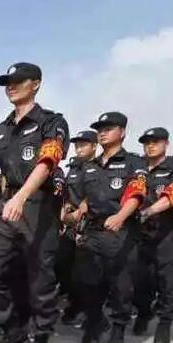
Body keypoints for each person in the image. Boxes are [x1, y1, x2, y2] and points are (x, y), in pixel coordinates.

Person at [0, 62, 69, 343]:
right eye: (7, 82)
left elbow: (48, 160)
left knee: (40, 279)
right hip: (8, 203)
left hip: (37, 203)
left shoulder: (51, 122)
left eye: (18, 81)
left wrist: (22, 196)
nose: (11, 86)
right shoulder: (1, 129)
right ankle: (13, 327)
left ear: (36, 84)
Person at [71, 112, 146, 343]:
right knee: (87, 282)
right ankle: (95, 321)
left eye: (108, 128)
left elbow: (136, 192)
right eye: (100, 129)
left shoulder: (134, 162)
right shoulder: (89, 166)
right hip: (93, 231)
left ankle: (118, 330)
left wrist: (121, 216)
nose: (102, 133)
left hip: (121, 230)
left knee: (121, 285)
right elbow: (82, 198)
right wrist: (75, 213)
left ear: (122, 132)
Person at [132, 128, 173, 343]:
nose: (150, 146)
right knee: (140, 279)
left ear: (166, 144)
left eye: (155, 142)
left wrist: (149, 211)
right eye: (147, 143)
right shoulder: (137, 168)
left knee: (168, 280)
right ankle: (144, 312)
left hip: (166, 233)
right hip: (140, 234)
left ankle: (165, 322)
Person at [59, 130, 98, 325]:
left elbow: (97, 194)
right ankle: (73, 304)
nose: (79, 148)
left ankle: (85, 310)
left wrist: (82, 210)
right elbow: (67, 195)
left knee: (84, 272)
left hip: (90, 224)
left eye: (84, 145)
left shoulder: (99, 167)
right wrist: (65, 213)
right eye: (77, 145)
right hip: (70, 224)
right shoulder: (73, 168)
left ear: (94, 146)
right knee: (64, 266)